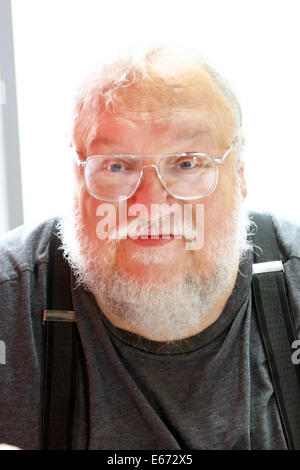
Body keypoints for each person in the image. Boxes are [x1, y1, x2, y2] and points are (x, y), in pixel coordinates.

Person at [0, 44, 299, 450]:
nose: (150, 207)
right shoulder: (8, 302)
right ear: (76, 175)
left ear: (241, 171)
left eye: (187, 163)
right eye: (116, 166)